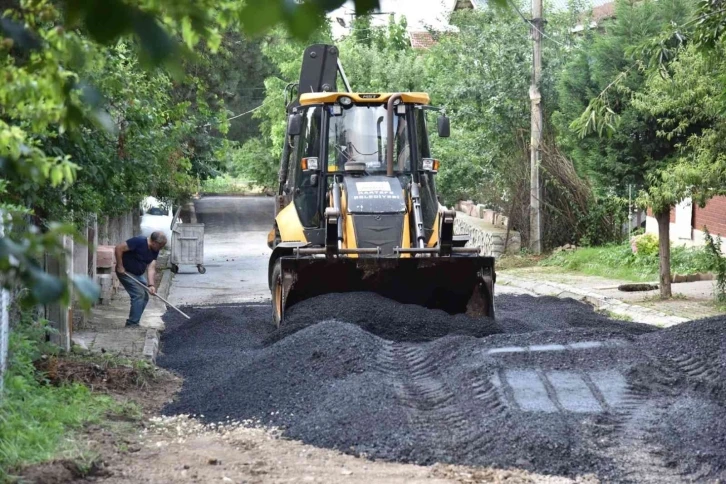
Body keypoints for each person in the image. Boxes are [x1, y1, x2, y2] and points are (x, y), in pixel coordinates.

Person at [114, 231, 167, 327]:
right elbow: (118, 248)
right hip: (126, 272)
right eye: (160, 246)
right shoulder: (138, 242)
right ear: (154, 242)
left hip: (138, 274)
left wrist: (151, 285)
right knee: (138, 295)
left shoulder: (155, 250)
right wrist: (120, 266)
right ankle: (132, 324)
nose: (160, 249)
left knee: (145, 297)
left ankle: (135, 320)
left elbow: (151, 268)